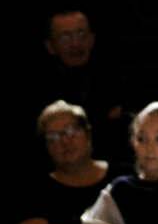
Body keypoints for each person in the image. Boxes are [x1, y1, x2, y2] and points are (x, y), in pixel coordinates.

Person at [28, 9, 128, 160]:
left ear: (92, 39)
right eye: (65, 37)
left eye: (81, 34)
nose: (76, 44)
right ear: (50, 46)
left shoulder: (116, 79)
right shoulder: (38, 89)